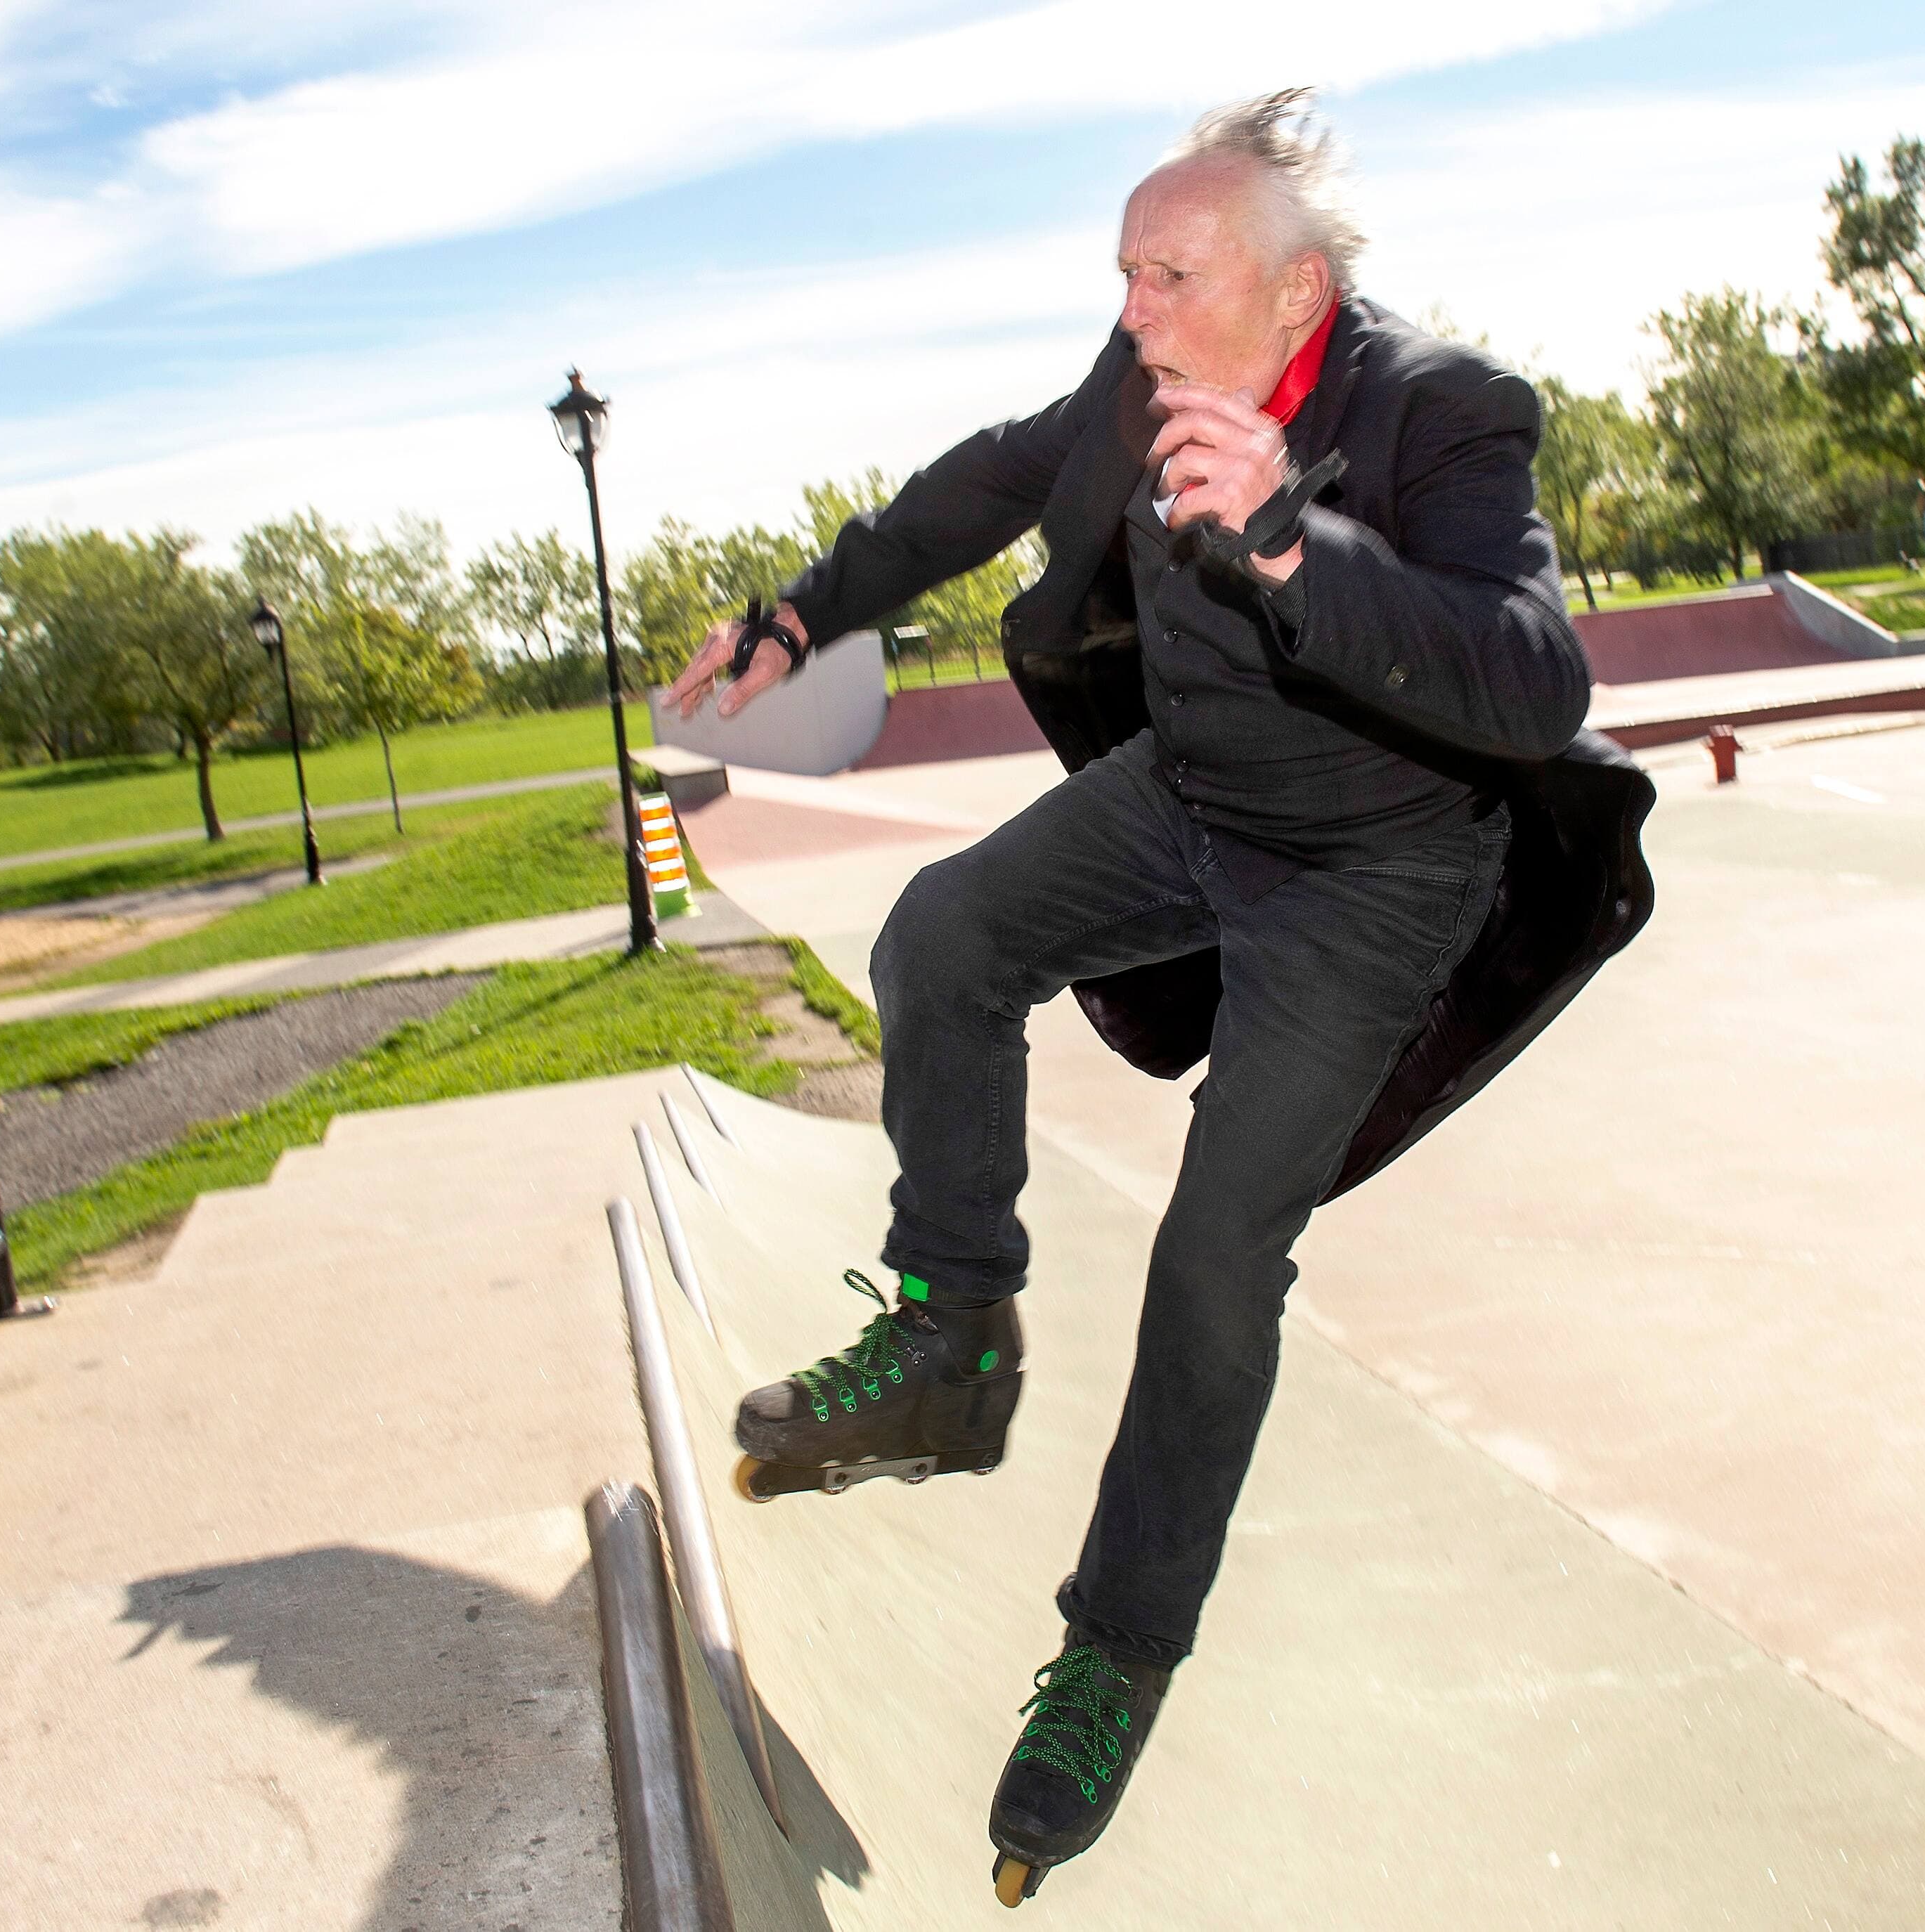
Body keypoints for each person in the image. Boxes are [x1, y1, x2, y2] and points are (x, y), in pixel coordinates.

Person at [663, 88, 1654, 1906]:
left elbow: (1530, 676)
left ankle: (1117, 1649)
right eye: (1122, 272)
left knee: (1214, 1259)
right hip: (1191, 800)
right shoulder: (1133, 389)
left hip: (1377, 875)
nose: (1134, 311)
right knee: (940, 940)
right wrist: (804, 617)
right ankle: (955, 1342)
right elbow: (975, 482)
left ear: (1297, 295)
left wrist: (1294, 539)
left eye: (1170, 275)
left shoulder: (1441, 409)